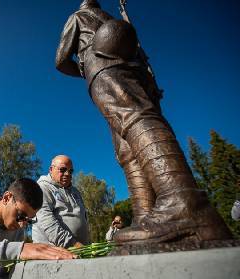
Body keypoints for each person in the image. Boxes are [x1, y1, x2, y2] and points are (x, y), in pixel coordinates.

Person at [55, 0, 232, 243]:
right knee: (126, 145)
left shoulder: (77, 17)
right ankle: (145, 216)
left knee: (134, 119)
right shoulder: (108, 17)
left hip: (100, 66)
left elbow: (61, 60)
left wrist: (86, 70)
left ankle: (184, 204)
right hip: (133, 68)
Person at [32, 155, 89, 248]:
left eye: (71, 171)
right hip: (53, 255)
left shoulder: (76, 192)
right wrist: (73, 244)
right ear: (51, 169)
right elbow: (46, 222)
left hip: (80, 252)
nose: (67, 174)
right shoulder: (42, 188)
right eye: (62, 169)